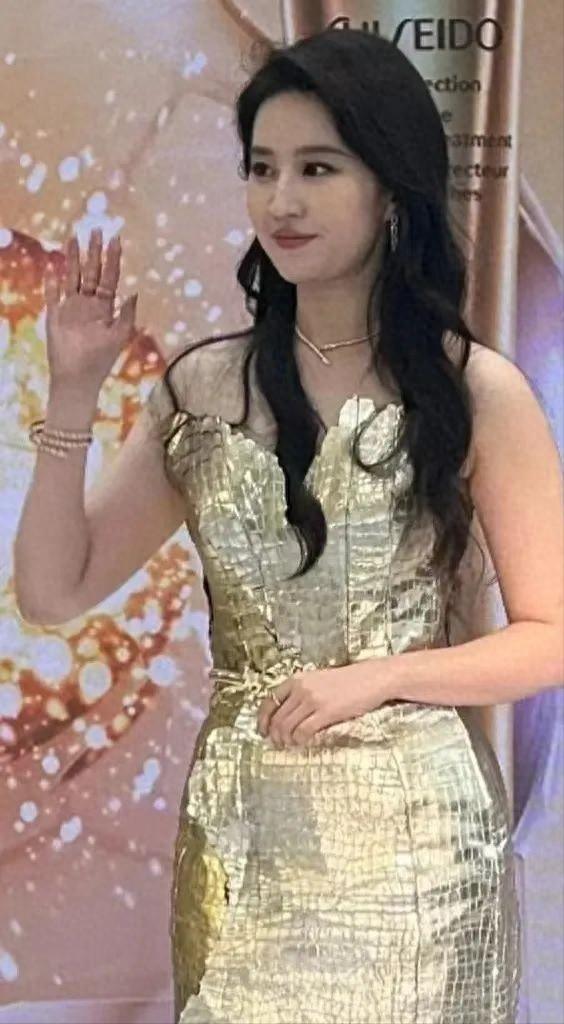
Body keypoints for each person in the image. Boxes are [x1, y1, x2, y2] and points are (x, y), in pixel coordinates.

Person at [13, 27, 563, 1024]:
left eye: (317, 167)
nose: (281, 201)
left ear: (390, 189)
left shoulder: (476, 390)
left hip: (420, 853)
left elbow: (550, 636)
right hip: (244, 842)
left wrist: (382, 677)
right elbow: (55, 591)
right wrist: (76, 393)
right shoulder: (204, 387)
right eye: (262, 168)